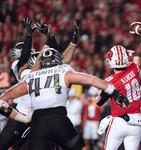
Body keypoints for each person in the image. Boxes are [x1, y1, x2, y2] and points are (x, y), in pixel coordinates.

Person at [0, 47, 128, 150]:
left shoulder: (31, 77)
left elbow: (4, 98)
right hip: (59, 119)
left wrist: (21, 117)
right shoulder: (63, 72)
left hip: (39, 123)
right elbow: (90, 79)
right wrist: (113, 91)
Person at [96, 45, 141, 150]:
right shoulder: (133, 69)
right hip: (136, 122)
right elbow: (136, 57)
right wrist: (130, 52)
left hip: (119, 122)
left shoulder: (110, 81)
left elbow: (99, 102)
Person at [0, 17, 37, 150]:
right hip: (22, 112)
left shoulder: (35, 67)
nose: (33, 53)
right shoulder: (18, 65)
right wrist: (28, 35)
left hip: (33, 112)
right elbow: (25, 54)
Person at [82, 86, 102, 150]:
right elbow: (85, 113)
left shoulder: (97, 101)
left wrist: (97, 101)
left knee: (95, 140)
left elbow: (101, 111)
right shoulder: (87, 101)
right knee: (86, 139)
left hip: (95, 122)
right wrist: (83, 123)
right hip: (88, 122)